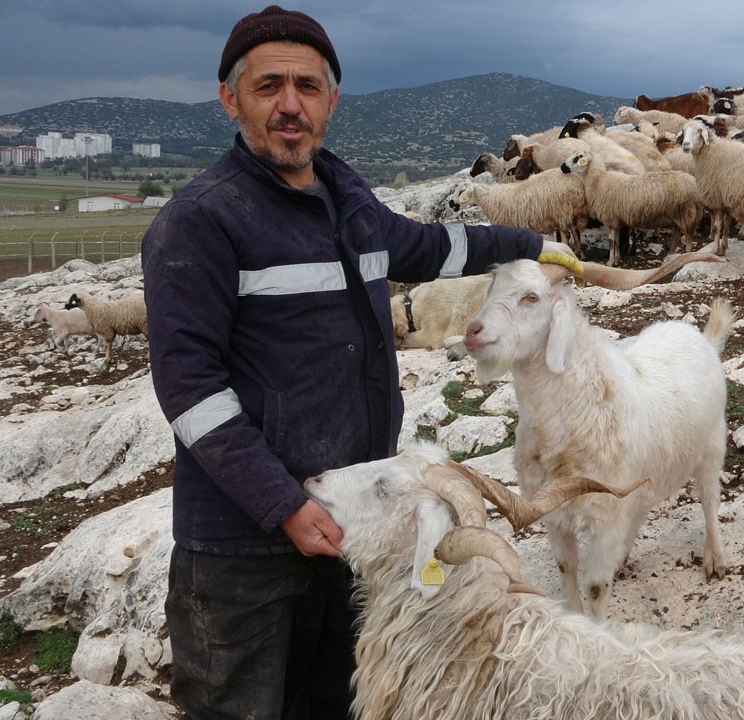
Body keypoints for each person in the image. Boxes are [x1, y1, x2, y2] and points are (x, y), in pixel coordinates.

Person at [140, 6, 567, 718]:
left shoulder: (348, 199)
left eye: (307, 87)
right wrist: (281, 503)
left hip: (347, 524)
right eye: (268, 85)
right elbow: (188, 388)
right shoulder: (202, 220)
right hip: (242, 548)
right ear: (230, 98)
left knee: (331, 702)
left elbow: (429, 248)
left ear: (331, 99)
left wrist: (529, 243)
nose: (289, 106)